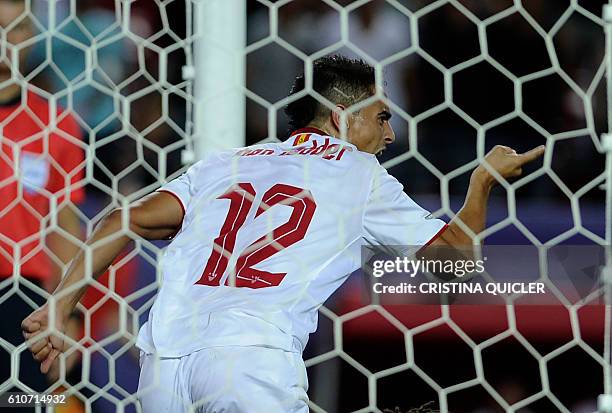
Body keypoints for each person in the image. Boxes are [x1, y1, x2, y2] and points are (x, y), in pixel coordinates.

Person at [21, 55, 544, 412]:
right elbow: (454, 268)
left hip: (163, 371)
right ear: (343, 117)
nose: (390, 134)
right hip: (252, 361)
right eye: (382, 118)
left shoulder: (226, 163)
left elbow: (121, 218)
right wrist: (482, 184)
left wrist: (61, 307)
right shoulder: (360, 175)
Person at [0, 0, 84, 401]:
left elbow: (64, 222)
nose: (5, 39)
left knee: (20, 403)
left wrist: (65, 310)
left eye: (16, 28)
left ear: (31, 38)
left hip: (22, 297)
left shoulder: (55, 123)